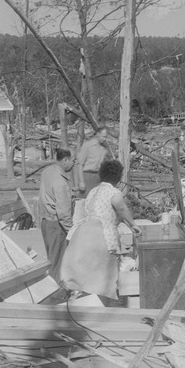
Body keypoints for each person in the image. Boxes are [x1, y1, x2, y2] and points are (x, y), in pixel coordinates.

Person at [59, 159, 139, 302]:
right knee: (103, 268)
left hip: (83, 231)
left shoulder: (94, 191)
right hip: (100, 233)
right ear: (118, 177)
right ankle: (103, 298)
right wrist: (133, 224)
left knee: (86, 268)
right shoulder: (114, 192)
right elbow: (121, 207)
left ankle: (80, 295)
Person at [36, 148, 76, 276]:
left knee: (52, 258)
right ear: (65, 160)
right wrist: (72, 232)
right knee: (58, 262)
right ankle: (57, 292)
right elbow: (63, 213)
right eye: (73, 161)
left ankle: (57, 289)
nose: (74, 164)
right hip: (57, 225)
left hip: (46, 222)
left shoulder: (48, 171)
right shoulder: (61, 182)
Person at [76, 126, 111, 194]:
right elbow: (80, 164)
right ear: (98, 134)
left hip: (99, 177)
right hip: (87, 176)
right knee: (85, 200)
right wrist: (81, 181)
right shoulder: (87, 145)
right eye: (103, 136)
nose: (104, 139)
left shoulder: (104, 148)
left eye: (106, 137)